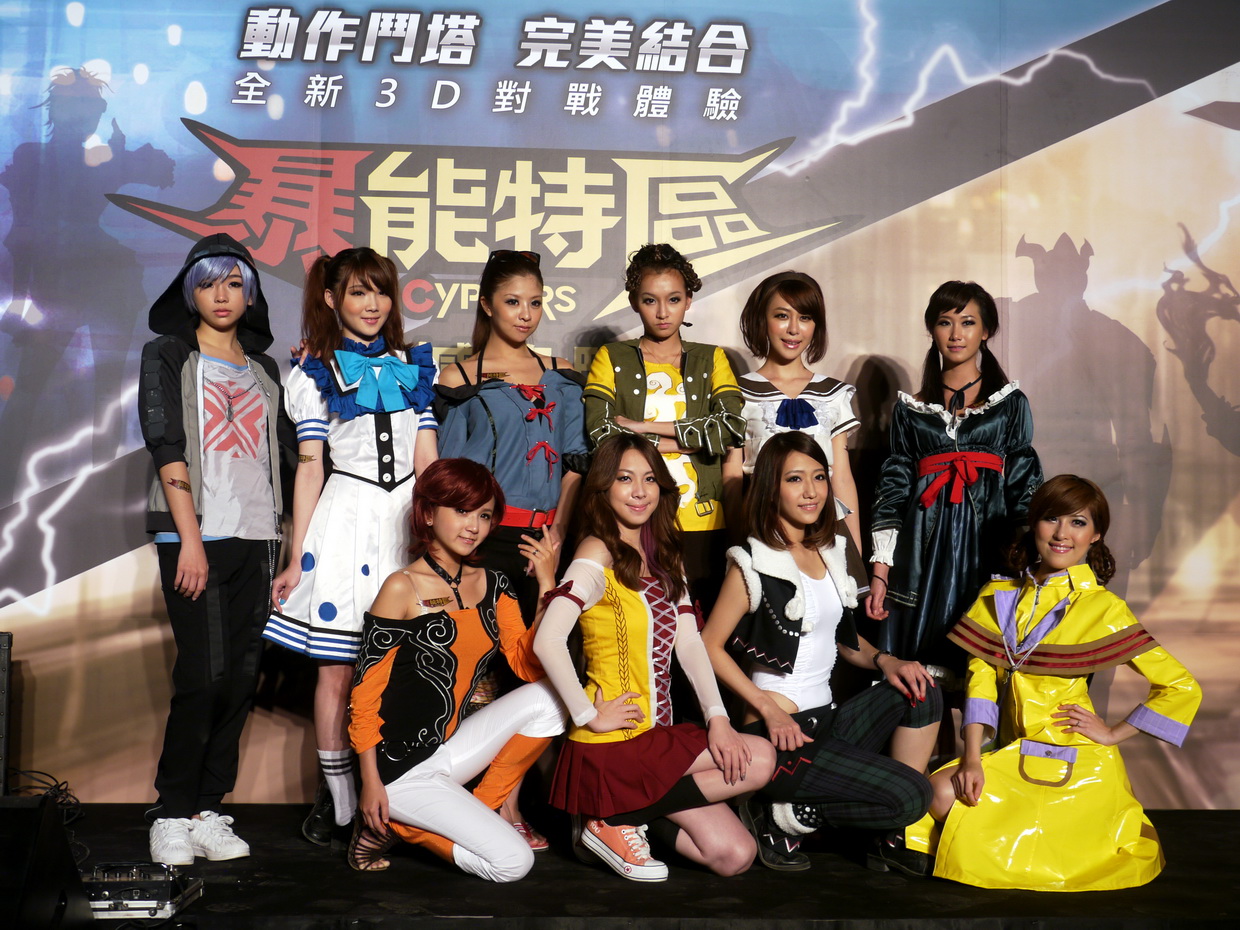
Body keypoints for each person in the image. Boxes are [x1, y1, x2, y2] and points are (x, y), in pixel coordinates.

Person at [903, 475, 1202, 890]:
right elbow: (981, 684)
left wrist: (1112, 734)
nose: (1062, 534)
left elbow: (1181, 685)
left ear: (1095, 535)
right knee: (933, 795)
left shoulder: (1104, 608)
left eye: (1078, 522)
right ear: (1034, 524)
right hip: (1009, 751)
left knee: (965, 821)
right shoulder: (997, 596)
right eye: (1051, 519)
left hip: (1075, 762)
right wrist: (971, 757)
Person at [533, 434, 776, 882]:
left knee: (735, 854)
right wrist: (588, 715)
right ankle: (604, 819)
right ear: (604, 487)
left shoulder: (665, 555)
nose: (639, 491)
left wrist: (718, 718)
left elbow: (690, 645)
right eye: (625, 479)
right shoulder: (596, 552)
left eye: (649, 479)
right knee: (759, 757)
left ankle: (618, 817)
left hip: (656, 738)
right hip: (613, 743)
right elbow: (547, 639)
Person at [703, 432, 939, 873]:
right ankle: (785, 815)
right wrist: (766, 710)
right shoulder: (753, 562)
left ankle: (883, 835)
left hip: (826, 722)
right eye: (795, 479)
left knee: (922, 688)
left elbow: (844, 642)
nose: (811, 491)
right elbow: (707, 647)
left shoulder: (831, 550)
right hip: (780, 734)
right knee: (914, 795)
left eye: (819, 477)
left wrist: (887, 661)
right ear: (771, 487)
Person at [264, 248, 436, 845]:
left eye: (381, 291)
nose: (372, 304)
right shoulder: (313, 372)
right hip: (346, 520)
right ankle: (338, 803)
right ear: (332, 299)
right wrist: (296, 557)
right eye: (359, 292)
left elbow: (427, 461)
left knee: (406, 669)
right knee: (337, 670)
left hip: (406, 522)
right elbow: (309, 468)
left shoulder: (414, 366)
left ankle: (394, 793)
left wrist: (438, 538)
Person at [138, 233, 293, 865]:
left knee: (240, 680)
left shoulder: (265, 369)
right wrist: (191, 541)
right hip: (195, 537)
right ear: (189, 292)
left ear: (250, 294)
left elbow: (288, 453)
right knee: (202, 678)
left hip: (258, 539)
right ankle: (170, 812)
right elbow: (166, 444)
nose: (221, 295)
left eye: (234, 283)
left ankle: (207, 809)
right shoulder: (168, 353)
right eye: (207, 283)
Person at [433, 248, 588, 848]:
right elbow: (449, 474)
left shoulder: (561, 375)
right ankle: (487, 807)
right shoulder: (459, 379)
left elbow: (573, 464)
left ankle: (510, 798)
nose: (526, 314)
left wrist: (558, 534)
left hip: (544, 541)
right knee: (480, 674)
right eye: (513, 302)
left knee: (542, 674)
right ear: (486, 305)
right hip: (484, 542)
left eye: (535, 302)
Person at [348, 458, 565, 882]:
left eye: (484, 515)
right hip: (398, 770)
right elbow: (364, 694)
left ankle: (478, 807)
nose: (473, 526)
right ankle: (396, 824)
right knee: (514, 864)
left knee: (551, 698)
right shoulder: (401, 587)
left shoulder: (494, 584)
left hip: (448, 751)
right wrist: (371, 783)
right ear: (428, 513)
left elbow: (527, 665)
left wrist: (546, 584)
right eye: (461, 511)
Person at [867, 281, 1043, 685]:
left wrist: (1030, 561)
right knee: (919, 674)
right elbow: (892, 490)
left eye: (968, 322)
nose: (956, 334)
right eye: (945, 322)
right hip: (922, 550)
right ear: (932, 330)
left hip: (988, 547)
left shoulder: (1009, 404)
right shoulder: (910, 410)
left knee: (985, 671)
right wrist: (880, 571)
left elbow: (1024, 486)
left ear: (986, 331)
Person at [584, 243, 745, 616]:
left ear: (688, 300)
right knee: (641, 626)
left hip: (704, 520)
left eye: (673, 299)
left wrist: (641, 428)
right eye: (649, 300)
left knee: (702, 627)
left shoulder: (711, 358)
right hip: (633, 519)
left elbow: (730, 428)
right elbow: (601, 435)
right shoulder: (612, 357)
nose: (662, 312)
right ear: (634, 302)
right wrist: (687, 444)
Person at [735, 271, 862, 547]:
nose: (794, 329)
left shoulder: (833, 394)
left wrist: (855, 555)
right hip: (763, 533)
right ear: (761, 319)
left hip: (825, 533)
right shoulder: (738, 393)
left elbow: (842, 478)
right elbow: (731, 478)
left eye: (805, 317)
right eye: (782, 316)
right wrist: (733, 545)